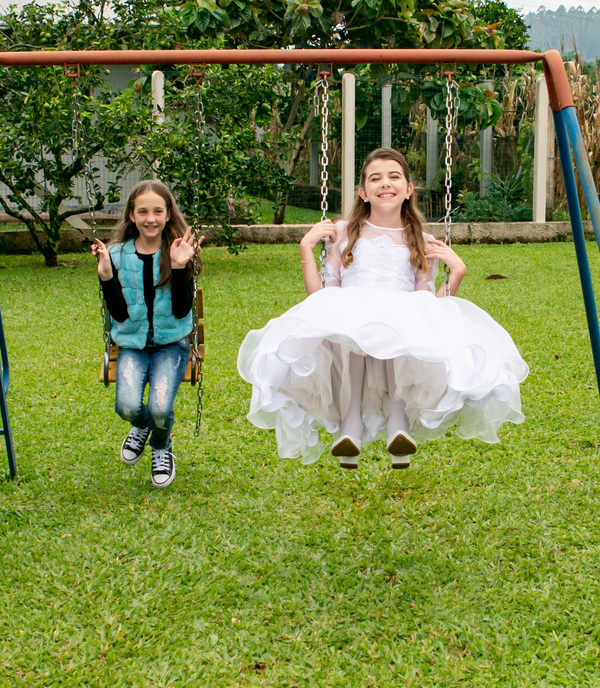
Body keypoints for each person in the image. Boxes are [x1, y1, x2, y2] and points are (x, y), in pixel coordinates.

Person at [237, 148, 528, 469]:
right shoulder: (344, 232)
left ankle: (397, 423)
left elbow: (428, 303)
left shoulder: (419, 238)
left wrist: (456, 273)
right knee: (358, 323)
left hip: (403, 315)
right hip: (351, 310)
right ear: (363, 192)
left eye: (394, 177)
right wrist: (307, 248)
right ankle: (352, 427)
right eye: (375, 178)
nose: (385, 183)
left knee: (394, 323)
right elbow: (321, 296)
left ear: (408, 189)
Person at [90, 180, 201, 488]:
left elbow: (181, 312)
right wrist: (107, 277)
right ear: (131, 216)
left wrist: (179, 267)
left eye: (157, 211)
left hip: (171, 345)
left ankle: (162, 448)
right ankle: (141, 427)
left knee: (161, 408)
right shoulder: (116, 254)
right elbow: (120, 314)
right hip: (132, 345)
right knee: (126, 406)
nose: (150, 218)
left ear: (167, 215)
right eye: (142, 211)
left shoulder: (178, 251)